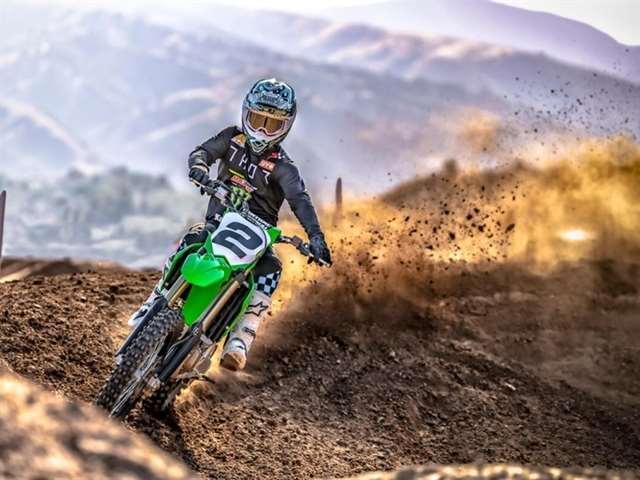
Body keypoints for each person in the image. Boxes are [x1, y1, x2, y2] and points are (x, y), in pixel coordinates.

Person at [129, 78, 332, 371]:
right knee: (192, 239)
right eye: (257, 120)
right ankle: (155, 299)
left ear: (285, 127)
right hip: (219, 222)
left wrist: (316, 236)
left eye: (272, 125)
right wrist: (199, 168)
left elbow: (300, 200)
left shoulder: (284, 168)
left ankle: (240, 339)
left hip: (257, 237)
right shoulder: (231, 139)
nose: (262, 130)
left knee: (271, 269)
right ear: (245, 113)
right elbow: (202, 152)